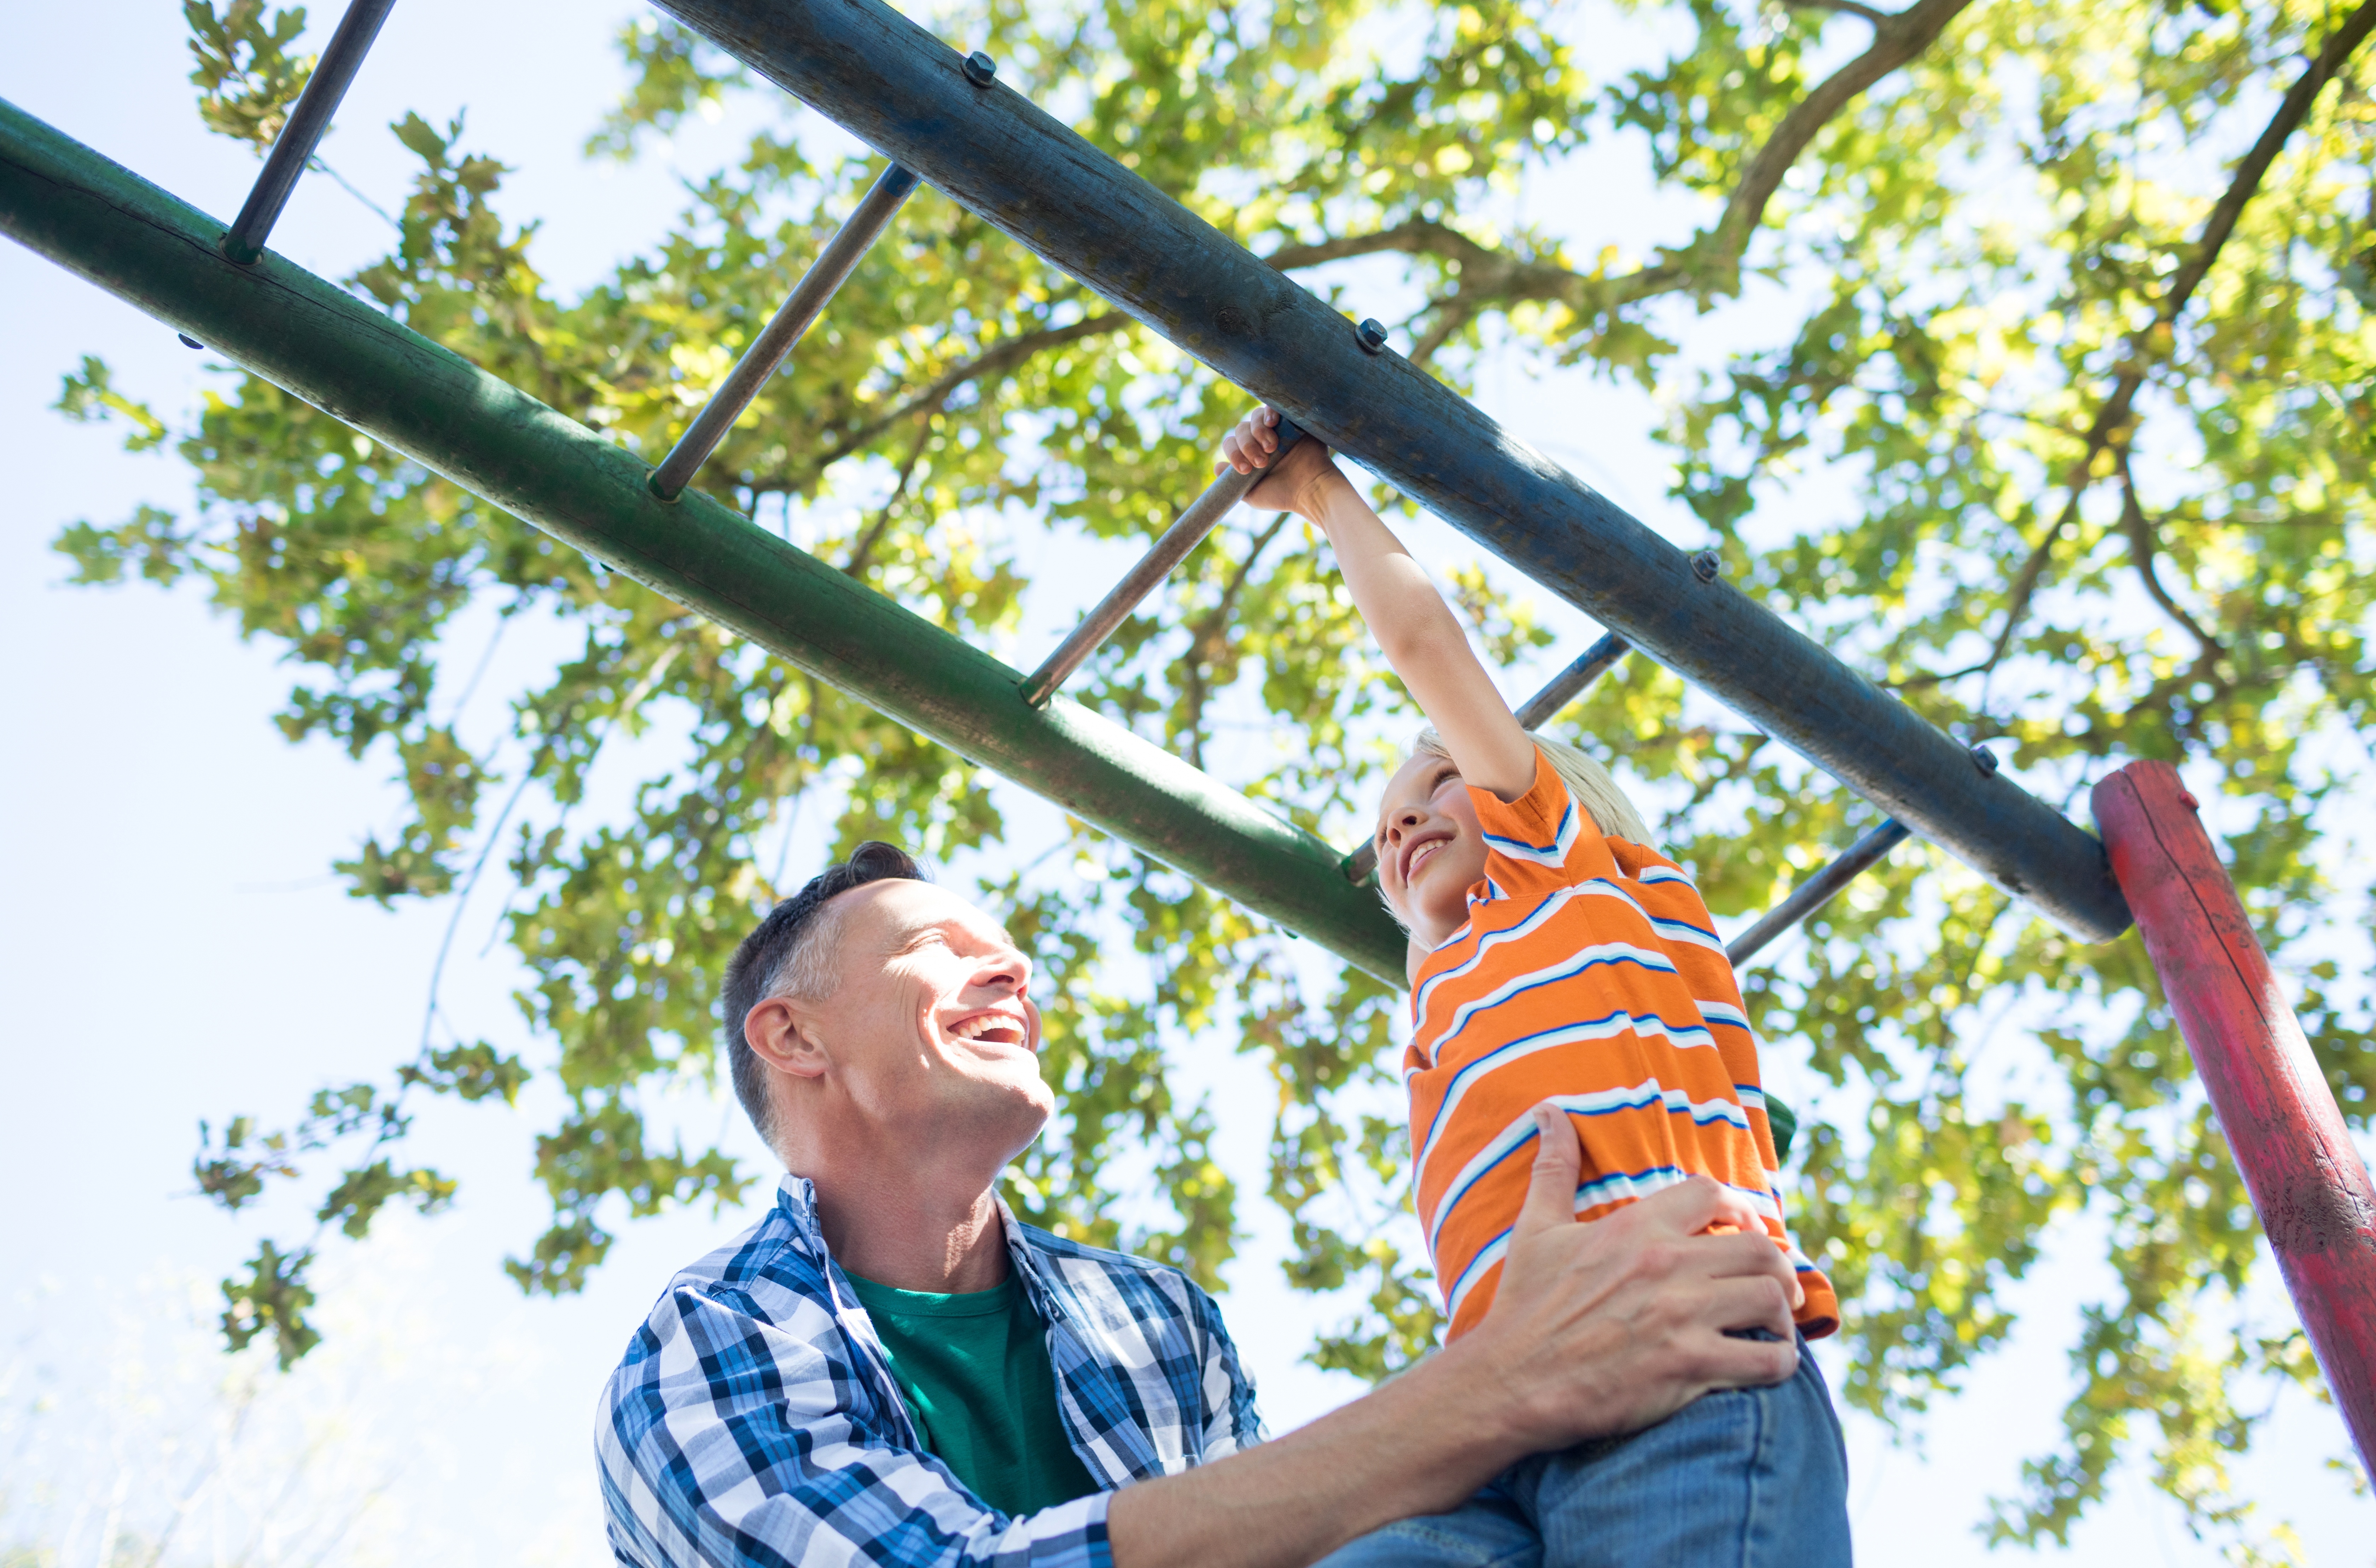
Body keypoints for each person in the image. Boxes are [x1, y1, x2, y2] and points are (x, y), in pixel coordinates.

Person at [597, 841, 1810, 1568]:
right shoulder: (715, 1343)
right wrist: (1498, 1383)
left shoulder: (1151, 1315)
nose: (1013, 968)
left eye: (1010, 949)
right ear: (794, 1036)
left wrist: (1570, 1363)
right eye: (939, 945)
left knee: (1675, 1350)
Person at [1217, 405, 1852, 1566]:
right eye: (1384, 819)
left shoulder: (1561, 868)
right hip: (1503, 1410)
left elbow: (1424, 647)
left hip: (1682, 1355)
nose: (1402, 814)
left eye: (1440, 776)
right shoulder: (1443, 999)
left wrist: (1319, 491)